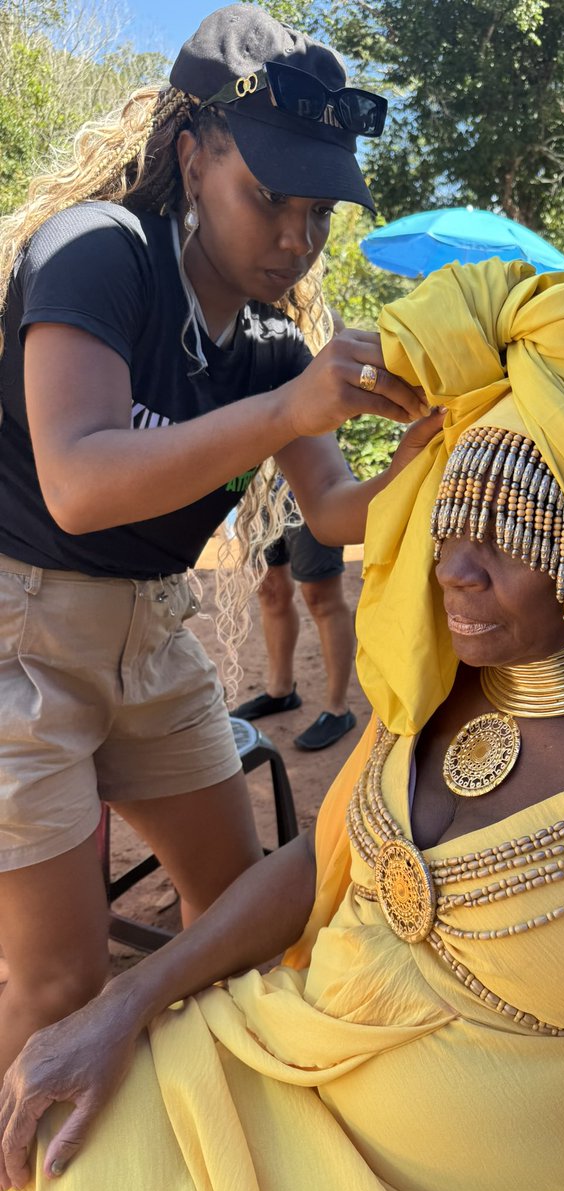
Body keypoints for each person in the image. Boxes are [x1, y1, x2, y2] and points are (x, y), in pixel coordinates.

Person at [0, 260, 564, 1191]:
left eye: (512, 530)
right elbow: (319, 862)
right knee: (57, 1156)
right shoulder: (440, 683)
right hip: (264, 1072)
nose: (454, 570)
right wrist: (124, 1002)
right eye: (448, 520)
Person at [0, 2, 437, 1080]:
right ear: (195, 157)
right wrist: (289, 410)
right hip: (20, 635)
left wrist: (437, 448)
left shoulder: (273, 347)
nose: (297, 238)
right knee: (59, 983)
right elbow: (78, 484)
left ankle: (204, 1123)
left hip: (154, 637)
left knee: (235, 920)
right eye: (270, 198)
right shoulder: (99, 253)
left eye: (318, 212)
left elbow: (335, 512)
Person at [230, 521, 358, 750]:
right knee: (269, 589)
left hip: (310, 501)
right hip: (258, 500)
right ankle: (281, 691)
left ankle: (338, 708)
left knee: (321, 596)